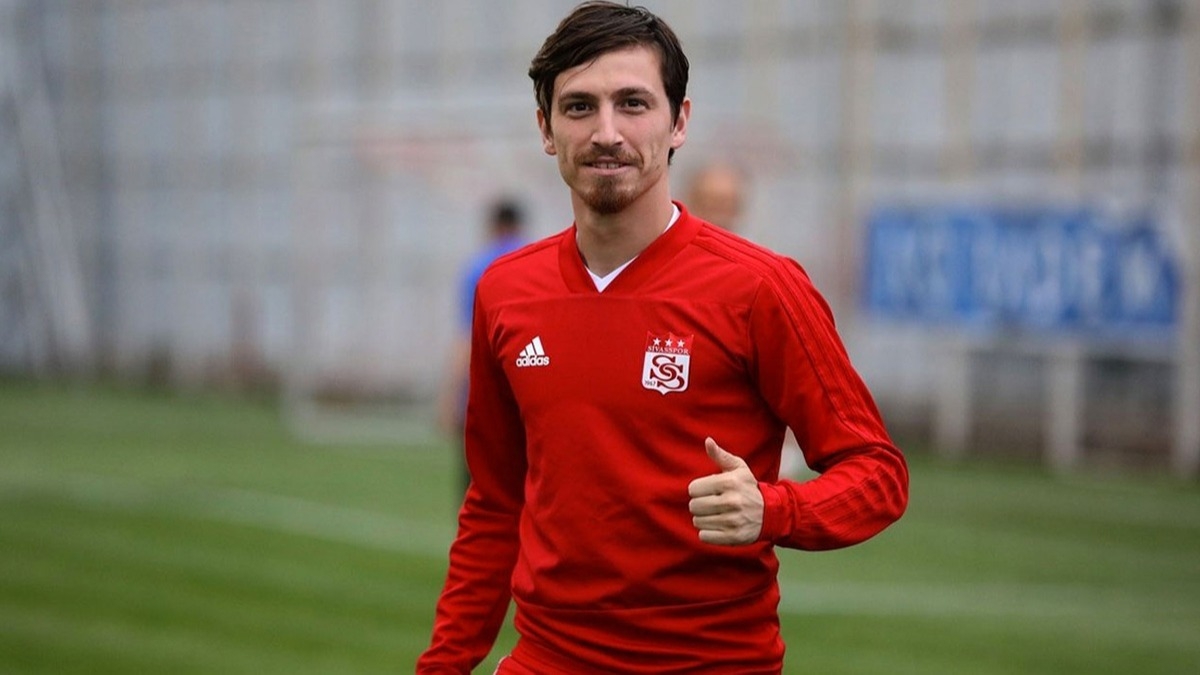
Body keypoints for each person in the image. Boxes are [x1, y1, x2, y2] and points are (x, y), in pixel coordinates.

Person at [417, 3, 908, 673]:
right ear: (546, 129)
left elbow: (878, 474)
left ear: (679, 121)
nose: (606, 132)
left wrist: (775, 509)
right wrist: (443, 665)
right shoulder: (505, 291)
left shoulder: (761, 288)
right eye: (580, 107)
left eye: (633, 103)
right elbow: (494, 504)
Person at [436, 198, 528, 498]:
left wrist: (452, 396)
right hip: (529, 393)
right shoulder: (537, 263)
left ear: (493, 227)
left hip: (486, 396)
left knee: (482, 491)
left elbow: (467, 337)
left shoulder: (480, 268)